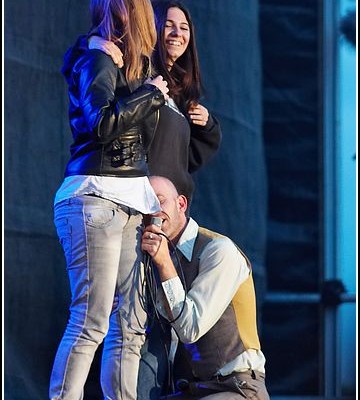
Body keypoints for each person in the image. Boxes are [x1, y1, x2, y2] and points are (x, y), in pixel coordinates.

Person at [49, 0, 170, 399]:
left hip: (129, 201)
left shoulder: (129, 66)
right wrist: (149, 94)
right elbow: (101, 124)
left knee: (130, 326)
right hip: (95, 197)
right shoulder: (96, 59)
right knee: (91, 321)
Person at [140, 176, 270, 400]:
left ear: (181, 204)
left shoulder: (219, 250)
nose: (152, 212)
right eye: (144, 205)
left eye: (159, 201)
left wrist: (163, 262)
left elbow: (190, 329)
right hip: (193, 388)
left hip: (236, 387)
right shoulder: (157, 257)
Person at [88, 0, 222, 205]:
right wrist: (91, 41)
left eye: (184, 28)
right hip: (141, 201)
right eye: (168, 25)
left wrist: (208, 127)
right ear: (152, 26)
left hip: (173, 207)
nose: (177, 33)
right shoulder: (136, 74)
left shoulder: (180, 95)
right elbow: (88, 63)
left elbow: (184, 158)